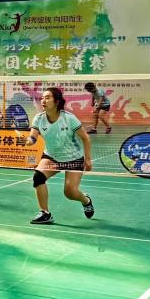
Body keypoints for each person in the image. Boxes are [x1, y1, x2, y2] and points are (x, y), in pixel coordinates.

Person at [28, 85, 94, 225]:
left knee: (70, 192)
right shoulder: (39, 118)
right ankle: (45, 213)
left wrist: (88, 159)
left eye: (47, 98)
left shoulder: (69, 118)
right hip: (52, 156)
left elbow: (85, 138)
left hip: (73, 158)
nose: (43, 101)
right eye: (42, 98)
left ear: (57, 101)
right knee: (38, 177)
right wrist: (29, 141)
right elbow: (33, 136)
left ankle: (86, 200)